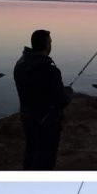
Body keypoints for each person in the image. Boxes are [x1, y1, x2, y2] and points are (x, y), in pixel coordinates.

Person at [13, 30, 73, 170]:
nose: (51, 44)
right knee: (46, 157)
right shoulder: (50, 71)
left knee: (31, 150)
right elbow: (61, 101)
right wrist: (69, 93)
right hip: (47, 123)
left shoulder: (20, 64)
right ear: (46, 45)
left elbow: (39, 88)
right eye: (50, 42)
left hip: (27, 118)